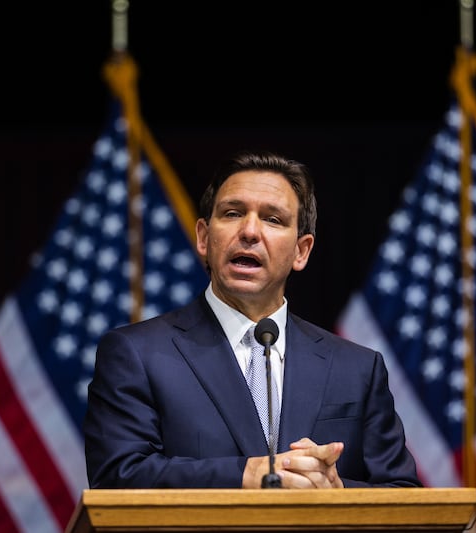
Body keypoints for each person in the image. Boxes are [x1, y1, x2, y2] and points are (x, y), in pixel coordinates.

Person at [83, 150, 421, 489]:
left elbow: (403, 494)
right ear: (204, 237)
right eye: (232, 213)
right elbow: (118, 477)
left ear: (301, 251)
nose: (249, 231)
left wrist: (337, 493)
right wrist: (248, 474)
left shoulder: (357, 369)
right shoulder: (136, 354)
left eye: (273, 219)